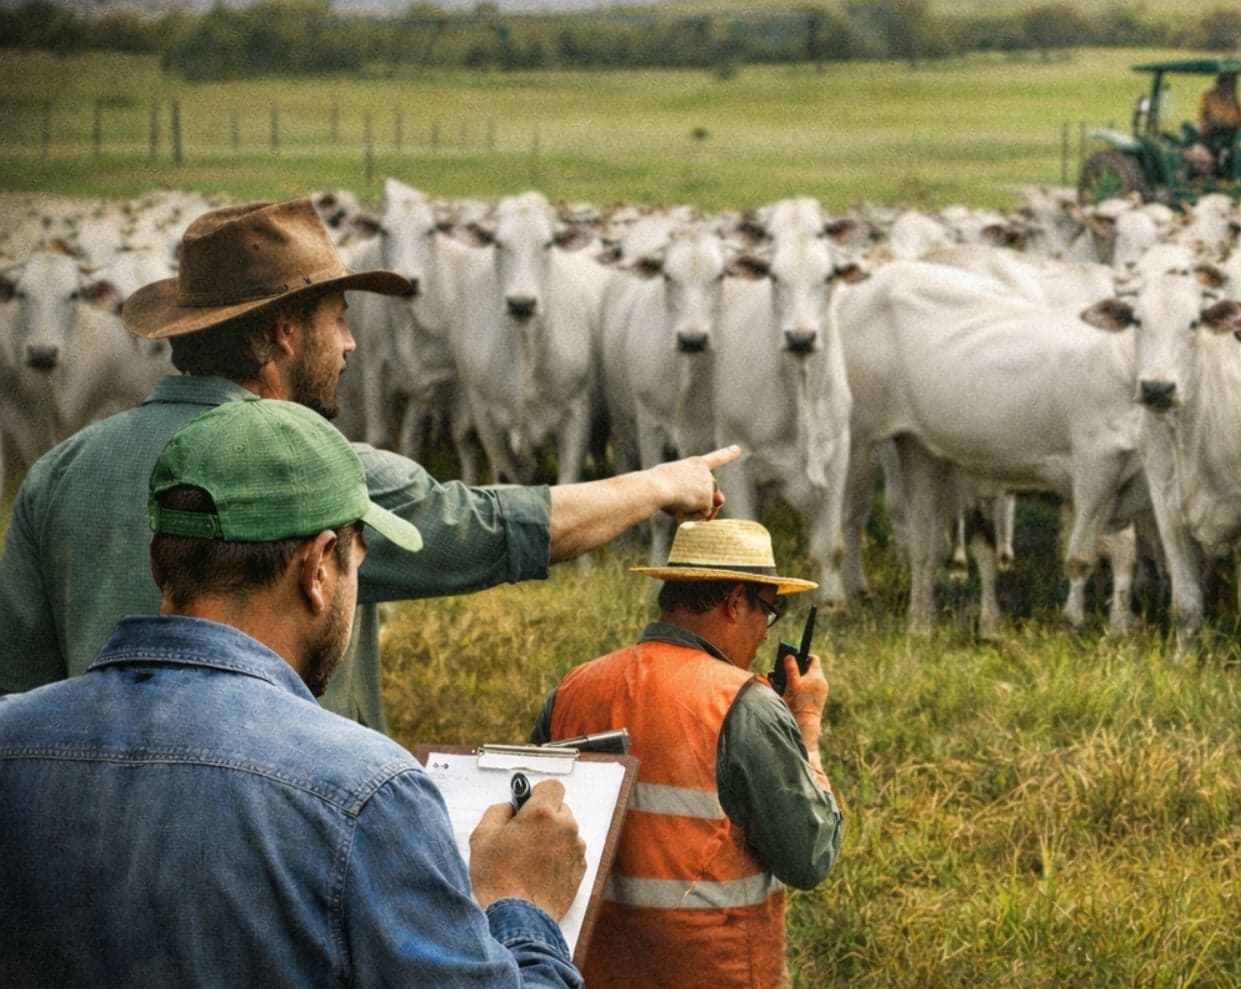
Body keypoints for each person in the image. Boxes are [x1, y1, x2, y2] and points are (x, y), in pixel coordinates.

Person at [0, 399, 593, 989]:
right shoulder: (362, 795)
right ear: (317, 570)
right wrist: (522, 902)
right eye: (355, 562)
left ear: (164, 560)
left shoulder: (11, 737)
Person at [0, 196, 739, 732]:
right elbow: (494, 528)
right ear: (286, 333)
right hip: (286, 842)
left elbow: (18, 691)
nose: (352, 345)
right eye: (338, 320)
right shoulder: (325, 478)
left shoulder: (57, 476)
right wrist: (658, 483)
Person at [532, 518, 843, 989]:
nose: (764, 634)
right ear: (732, 600)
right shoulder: (743, 704)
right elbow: (810, 855)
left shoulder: (573, 689)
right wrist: (808, 727)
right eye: (766, 612)